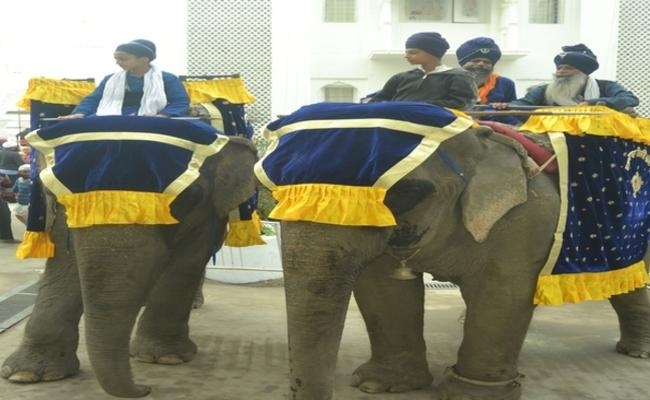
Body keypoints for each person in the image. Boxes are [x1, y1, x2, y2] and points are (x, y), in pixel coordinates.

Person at [492, 44, 639, 114]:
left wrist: (593, 103)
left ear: (583, 72)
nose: (561, 72)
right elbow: (524, 103)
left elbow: (630, 99)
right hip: (554, 138)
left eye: (568, 68)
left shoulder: (606, 86)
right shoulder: (543, 90)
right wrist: (507, 105)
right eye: (559, 68)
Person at [59, 39, 190, 119]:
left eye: (123, 59)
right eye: (116, 59)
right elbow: (94, 99)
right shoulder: (110, 79)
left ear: (144, 59)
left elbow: (180, 101)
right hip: (113, 115)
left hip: (153, 116)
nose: (118, 63)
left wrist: (164, 115)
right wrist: (80, 113)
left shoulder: (167, 79)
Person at [368, 32, 478, 110]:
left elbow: (460, 103)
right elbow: (377, 100)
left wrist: (414, 106)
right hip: (396, 121)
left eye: (413, 52)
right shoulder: (401, 78)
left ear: (432, 53)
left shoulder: (459, 76)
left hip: (437, 123)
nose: (406, 56)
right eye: (406, 52)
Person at [456, 37, 519, 125]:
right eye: (475, 61)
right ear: (464, 64)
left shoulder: (506, 84)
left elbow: (512, 111)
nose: (481, 64)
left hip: (497, 127)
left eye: (487, 62)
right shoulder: (449, 81)